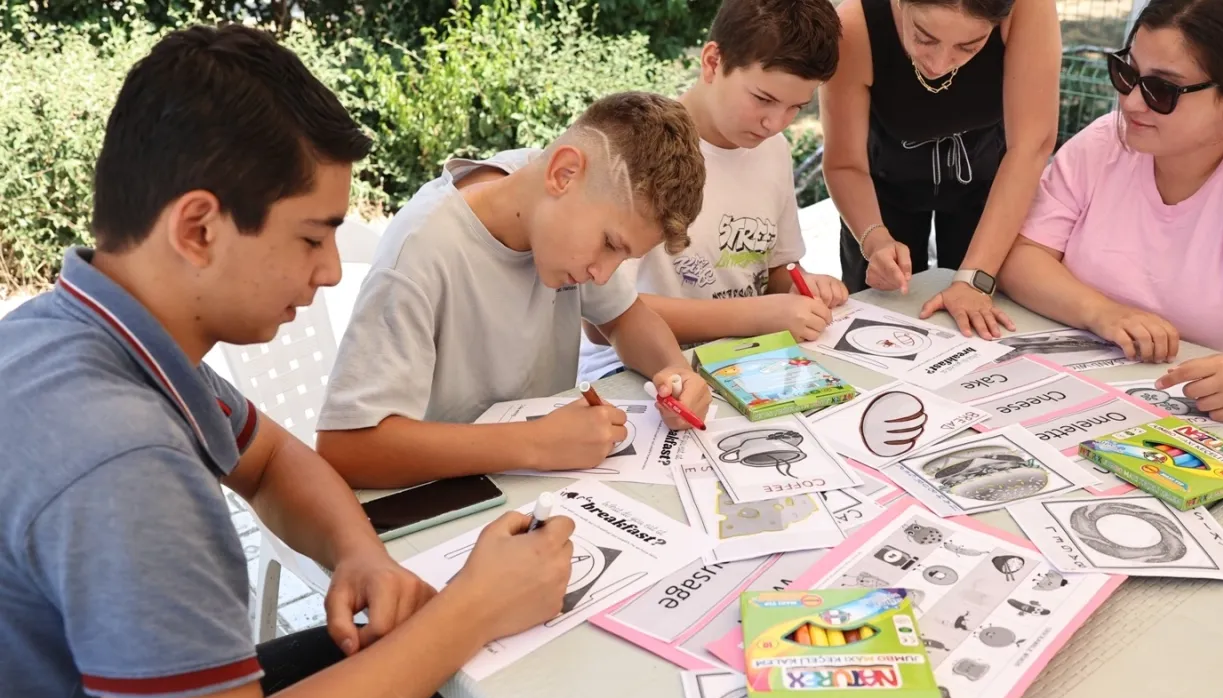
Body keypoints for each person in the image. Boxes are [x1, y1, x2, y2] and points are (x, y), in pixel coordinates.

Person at [0, 25, 575, 698]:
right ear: (198, 230)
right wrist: (476, 609)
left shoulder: (87, 334)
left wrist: (360, 553)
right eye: (311, 236)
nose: (331, 271)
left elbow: (271, 459)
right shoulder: (126, 459)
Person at [315, 92, 713, 489]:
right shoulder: (420, 254)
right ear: (563, 174)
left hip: (542, 484)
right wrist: (537, 443)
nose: (603, 274)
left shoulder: (552, 194)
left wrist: (675, 373)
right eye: (609, 244)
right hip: (443, 494)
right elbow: (346, 448)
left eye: (624, 257)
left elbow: (625, 318)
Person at [999, 0, 1223, 423]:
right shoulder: (1104, 143)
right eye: (1126, 73)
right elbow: (1022, 257)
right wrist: (1102, 312)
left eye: (1161, 90)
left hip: (1214, 414)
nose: (1130, 103)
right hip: (1087, 391)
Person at [576, 0, 850, 382]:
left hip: (747, 361)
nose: (775, 123)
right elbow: (601, 317)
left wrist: (802, 286)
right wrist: (758, 315)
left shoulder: (774, 150)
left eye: (796, 107)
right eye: (764, 99)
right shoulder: (637, 147)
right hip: (637, 372)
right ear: (712, 61)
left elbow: (775, 268)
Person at [820, 0, 1061, 339]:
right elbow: (845, 162)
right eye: (924, 37)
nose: (939, 64)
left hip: (989, 182)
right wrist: (875, 240)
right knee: (880, 311)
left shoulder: (1029, 7)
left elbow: (1031, 145)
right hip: (881, 186)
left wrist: (974, 279)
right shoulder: (856, 25)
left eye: (969, 46)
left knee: (984, 317)